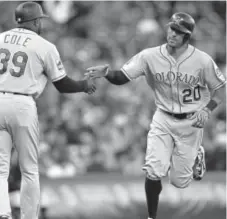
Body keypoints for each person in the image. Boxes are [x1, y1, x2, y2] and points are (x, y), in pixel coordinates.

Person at [85, 12, 226, 219]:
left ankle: (197, 154)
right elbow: (122, 77)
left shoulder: (202, 60)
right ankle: (152, 217)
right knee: (153, 170)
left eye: (179, 32)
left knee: (180, 181)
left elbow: (221, 91)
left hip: (191, 121)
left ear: (187, 36)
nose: (173, 34)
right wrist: (107, 73)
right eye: (172, 28)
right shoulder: (149, 56)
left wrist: (207, 109)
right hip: (163, 117)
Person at [0, 2, 96, 219]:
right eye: (40, 20)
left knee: (0, 167)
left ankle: (3, 213)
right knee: (29, 169)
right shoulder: (44, 45)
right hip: (22, 104)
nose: (40, 24)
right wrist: (83, 85)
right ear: (34, 21)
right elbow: (61, 84)